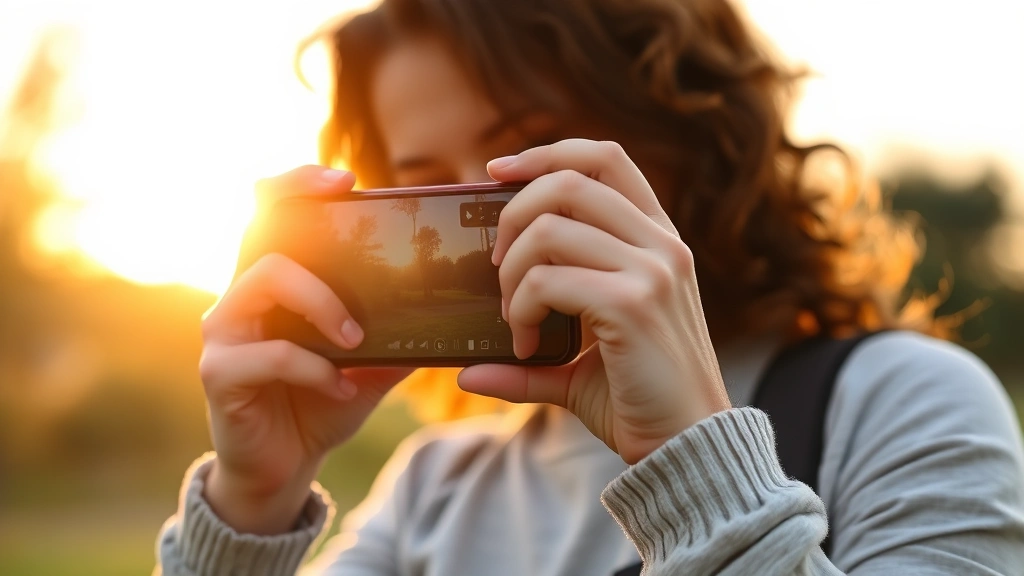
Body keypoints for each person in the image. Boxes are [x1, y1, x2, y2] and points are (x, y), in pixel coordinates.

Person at [156, 0, 1024, 574]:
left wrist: (697, 460)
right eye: (426, 182)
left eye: (531, 146)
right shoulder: (437, 487)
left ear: (686, 132)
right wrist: (253, 504)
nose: (486, 224)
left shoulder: (899, 403)